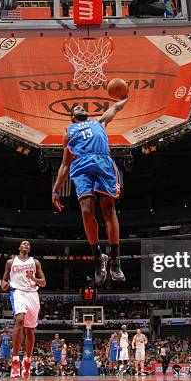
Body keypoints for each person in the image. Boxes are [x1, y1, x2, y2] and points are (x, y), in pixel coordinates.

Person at [52, 97, 129, 286]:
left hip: (103, 162)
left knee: (108, 209)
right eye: (76, 108)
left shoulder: (99, 122)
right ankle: (98, 258)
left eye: (81, 107)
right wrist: (55, 190)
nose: (80, 107)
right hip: (81, 166)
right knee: (86, 210)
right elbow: (64, 165)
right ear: (72, 117)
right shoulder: (68, 132)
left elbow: (115, 108)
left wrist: (124, 98)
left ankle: (115, 260)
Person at [0, 240, 46, 379]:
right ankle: (15, 360)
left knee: (30, 329)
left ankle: (27, 360)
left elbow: (43, 282)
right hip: (18, 292)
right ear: (19, 247)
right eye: (23, 243)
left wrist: (34, 278)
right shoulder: (10, 262)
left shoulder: (35, 262)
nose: (25, 245)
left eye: (28, 244)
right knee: (19, 319)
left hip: (32, 293)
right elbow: (4, 281)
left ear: (29, 249)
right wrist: (3, 285)